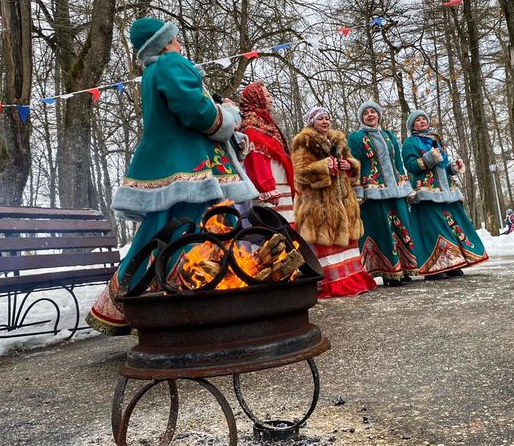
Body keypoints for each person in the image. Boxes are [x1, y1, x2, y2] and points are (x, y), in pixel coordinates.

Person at [86, 17, 257, 335]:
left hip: (171, 165)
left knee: (160, 232)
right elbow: (197, 113)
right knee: (193, 233)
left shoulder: (153, 72)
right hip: (190, 168)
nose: (179, 43)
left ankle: (131, 304)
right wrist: (230, 116)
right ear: (163, 43)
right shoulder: (170, 63)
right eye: (175, 38)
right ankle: (175, 304)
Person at [291, 107, 376, 298]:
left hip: (344, 200)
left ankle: (353, 279)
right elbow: (300, 172)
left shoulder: (338, 139)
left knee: (347, 242)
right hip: (319, 202)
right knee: (326, 241)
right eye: (320, 118)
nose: (325, 121)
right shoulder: (304, 142)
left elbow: (350, 162)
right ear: (312, 121)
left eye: (327, 118)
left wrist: (351, 166)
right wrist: (323, 167)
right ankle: (333, 283)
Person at [401, 110, 488, 280]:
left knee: (452, 225)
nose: (421, 122)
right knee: (435, 228)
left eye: (423, 119)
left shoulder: (435, 139)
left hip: (446, 191)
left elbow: (442, 166)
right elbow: (411, 166)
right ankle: (436, 266)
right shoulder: (410, 142)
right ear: (412, 126)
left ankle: (454, 262)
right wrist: (429, 158)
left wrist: (453, 167)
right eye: (417, 120)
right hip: (426, 192)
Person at [348, 101, 419, 287]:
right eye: (366, 113)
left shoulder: (389, 136)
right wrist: (357, 190)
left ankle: (403, 269)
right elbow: (354, 164)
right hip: (373, 192)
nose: (370, 115)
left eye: (373, 112)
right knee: (383, 230)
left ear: (379, 115)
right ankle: (388, 273)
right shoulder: (356, 138)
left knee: (401, 228)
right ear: (362, 118)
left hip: (396, 189)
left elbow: (398, 163)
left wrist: (407, 186)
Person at [238, 81, 296, 224]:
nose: (271, 99)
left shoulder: (265, 123)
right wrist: (268, 189)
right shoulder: (251, 125)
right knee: (274, 229)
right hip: (270, 192)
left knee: (287, 231)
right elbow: (256, 160)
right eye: (267, 96)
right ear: (257, 98)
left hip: (280, 186)